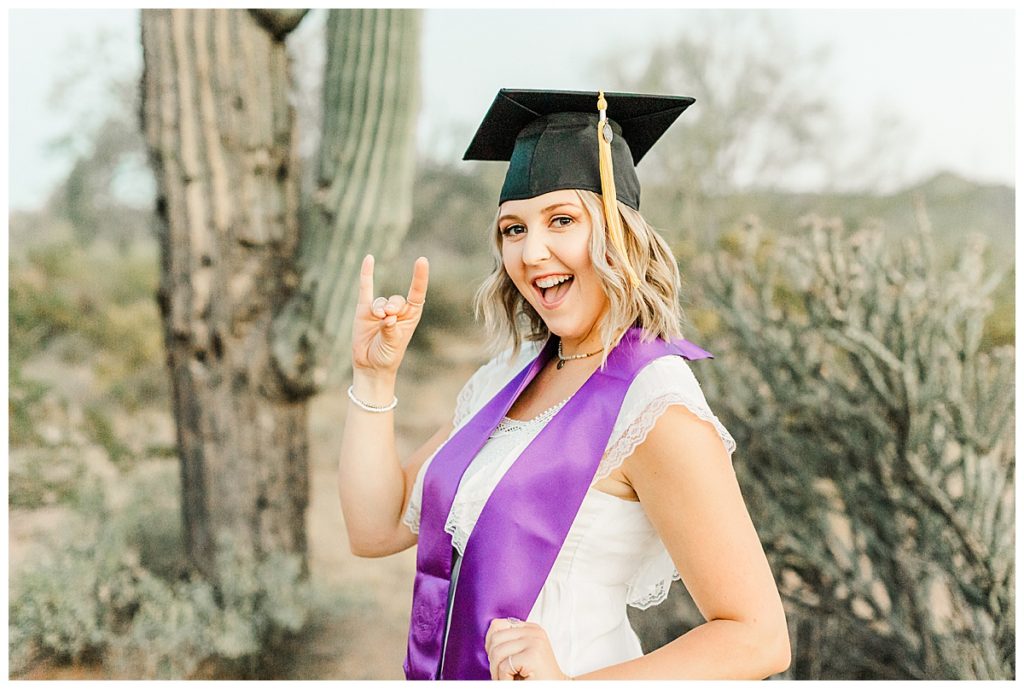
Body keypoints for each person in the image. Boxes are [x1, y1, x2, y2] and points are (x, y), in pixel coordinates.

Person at [338, 89, 791, 681]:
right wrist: (374, 379)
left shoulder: (655, 405)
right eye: (513, 228)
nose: (532, 251)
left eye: (562, 220)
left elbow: (758, 639)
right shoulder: (506, 377)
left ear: (619, 233)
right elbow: (376, 529)